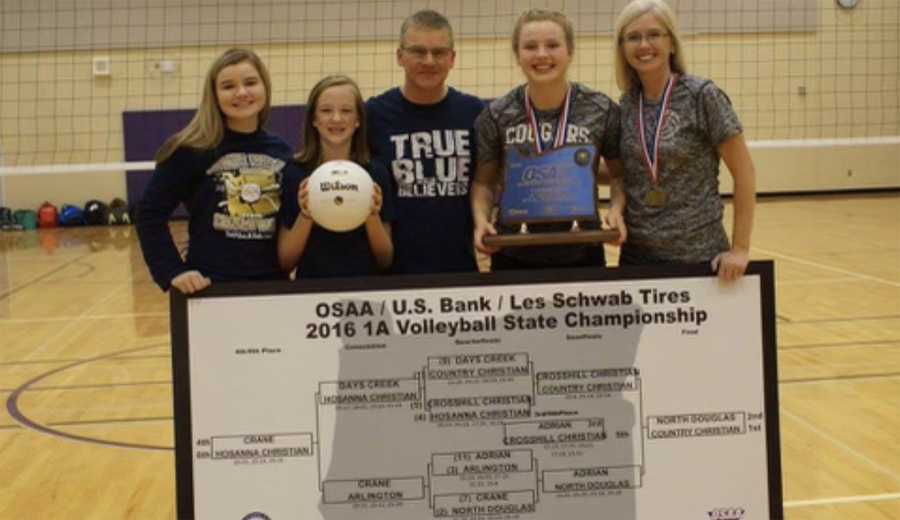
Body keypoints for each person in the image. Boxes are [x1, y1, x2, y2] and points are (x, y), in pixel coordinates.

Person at [608, 0, 756, 281]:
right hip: (637, 258)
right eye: (633, 37)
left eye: (653, 35)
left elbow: (745, 172)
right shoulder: (627, 105)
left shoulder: (703, 96)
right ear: (622, 48)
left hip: (700, 259)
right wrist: (567, 170)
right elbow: (626, 172)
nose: (643, 45)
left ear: (672, 43)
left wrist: (740, 248)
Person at [471, 9, 625, 270]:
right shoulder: (496, 115)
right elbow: (484, 182)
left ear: (570, 51)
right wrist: (481, 219)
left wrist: (616, 208)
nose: (542, 54)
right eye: (530, 46)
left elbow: (620, 175)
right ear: (518, 55)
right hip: (512, 251)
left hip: (584, 248)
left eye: (553, 45)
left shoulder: (601, 109)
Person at [137, 48, 293, 294]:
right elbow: (148, 213)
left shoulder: (282, 152)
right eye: (228, 86)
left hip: (272, 287)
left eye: (250, 82)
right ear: (214, 95)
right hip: (210, 288)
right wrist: (172, 271)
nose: (241, 92)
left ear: (265, 87)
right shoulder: (191, 149)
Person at [366, 9, 484, 274]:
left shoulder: (474, 112)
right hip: (391, 274)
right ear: (400, 56)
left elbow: (487, 181)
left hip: (460, 269)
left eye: (439, 52)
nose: (429, 61)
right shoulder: (374, 114)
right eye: (418, 52)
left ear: (453, 58)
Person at [278, 75, 394, 278]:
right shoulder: (295, 172)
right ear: (314, 119)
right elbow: (286, 261)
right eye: (326, 110)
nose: (336, 119)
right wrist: (306, 215)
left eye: (346, 111)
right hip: (312, 292)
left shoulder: (375, 172)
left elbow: (385, 259)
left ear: (358, 120)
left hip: (366, 292)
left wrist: (371, 215)